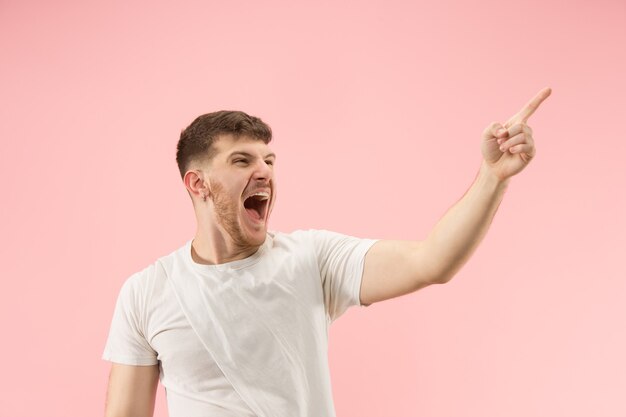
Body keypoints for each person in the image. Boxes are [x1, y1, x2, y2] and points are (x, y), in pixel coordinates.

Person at [102, 87, 552, 417]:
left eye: (269, 161)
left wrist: (494, 177)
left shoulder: (311, 259)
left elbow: (430, 262)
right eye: (242, 161)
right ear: (197, 184)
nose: (264, 172)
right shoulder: (146, 293)